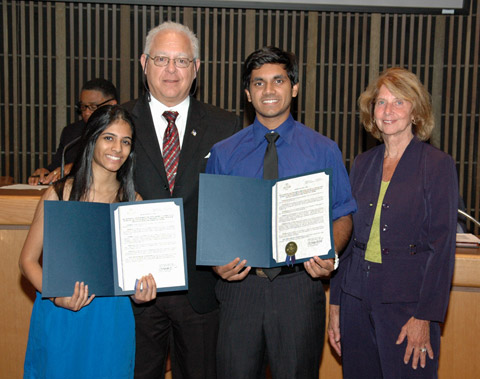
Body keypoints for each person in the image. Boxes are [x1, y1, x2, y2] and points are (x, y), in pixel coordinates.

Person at [205, 46, 356, 379]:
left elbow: (343, 213)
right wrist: (217, 262)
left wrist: (328, 252)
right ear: (247, 93)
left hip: (298, 289)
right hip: (240, 289)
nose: (269, 90)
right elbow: (212, 222)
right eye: (258, 83)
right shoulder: (223, 154)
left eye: (278, 81)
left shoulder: (323, 150)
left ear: (295, 87)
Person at [122, 21, 241, 378]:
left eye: (182, 61)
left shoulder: (226, 126)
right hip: (134, 293)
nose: (171, 70)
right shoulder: (118, 122)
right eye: (161, 59)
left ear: (197, 68)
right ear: (144, 63)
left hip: (202, 289)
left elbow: (236, 205)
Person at [328, 68, 458, 378]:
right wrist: (336, 306)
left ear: (416, 110)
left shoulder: (437, 165)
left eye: (399, 102)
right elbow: (347, 235)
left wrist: (424, 317)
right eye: (381, 102)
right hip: (355, 301)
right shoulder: (362, 163)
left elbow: (441, 250)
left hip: (407, 308)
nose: (388, 111)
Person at [19, 105, 157, 378]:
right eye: (109, 137)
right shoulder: (59, 194)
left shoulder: (133, 202)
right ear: (91, 139)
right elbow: (27, 261)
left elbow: (134, 277)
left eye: (125, 141)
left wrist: (141, 293)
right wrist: (58, 297)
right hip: (62, 313)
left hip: (111, 321)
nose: (117, 148)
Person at [28, 78, 117, 185]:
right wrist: (45, 174)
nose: (86, 113)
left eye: (93, 107)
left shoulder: (123, 134)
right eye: (83, 107)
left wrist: (77, 168)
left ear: (112, 104)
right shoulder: (71, 132)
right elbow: (57, 167)